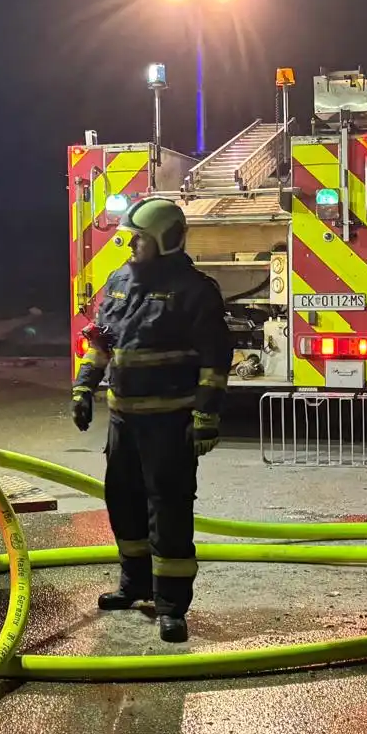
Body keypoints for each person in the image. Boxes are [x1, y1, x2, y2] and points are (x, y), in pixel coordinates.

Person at [70, 197, 230, 642]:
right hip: (124, 421)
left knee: (169, 510)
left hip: (169, 424)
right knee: (123, 502)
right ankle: (134, 584)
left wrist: (205, 415)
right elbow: (100, 343)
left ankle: (171, 606)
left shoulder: (195, 290)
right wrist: (84, 387)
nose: (131, 245)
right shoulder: (120, 280)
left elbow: (215, 362)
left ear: (165, 240)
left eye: (139, 239)